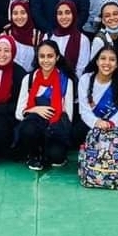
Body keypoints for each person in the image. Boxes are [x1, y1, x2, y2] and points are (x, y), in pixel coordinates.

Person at [15, 39, 75, 170]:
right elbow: (19, 113)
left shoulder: (66, 81)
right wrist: (35, 109)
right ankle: (33, 154)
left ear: (57, 57)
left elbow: (69, 115)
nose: (46, 60)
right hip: (34, 125)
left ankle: (49, 150)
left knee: (56, 157)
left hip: (54, 128)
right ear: (37, 58)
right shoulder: (29, 79)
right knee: (28, 129)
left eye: (50, 56)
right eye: (42, 56)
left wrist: (53, 123)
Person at [77, 47, 118, 141]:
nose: (107, 63)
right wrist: (97, 122)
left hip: (115, 128)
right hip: (89, 126)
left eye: (112, 60)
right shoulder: (85, 79)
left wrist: (116, 129)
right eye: (103, 58)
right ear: (97, 61)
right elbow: (84, 111)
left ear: (117, 65)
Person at [45, 0, 91, 76]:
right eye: (60, 13)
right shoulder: (49, 37)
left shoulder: (83, 40)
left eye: (67, 13)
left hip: (73, 80)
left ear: (74, 14)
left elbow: (81, 69)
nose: (64, 17)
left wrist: (68, 81)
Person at [5, 0, 41, 71]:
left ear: (28, 13)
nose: (19, 17)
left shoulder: (38, 36)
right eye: (15, 13)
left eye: (23, 13)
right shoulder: (7, 34)